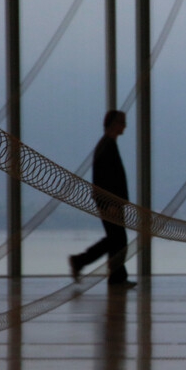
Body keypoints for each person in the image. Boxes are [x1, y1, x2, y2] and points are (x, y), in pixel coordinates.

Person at [69, 110, 136, 289]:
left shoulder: (107, 145)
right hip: (110, 204)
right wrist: (111, 204)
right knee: (117, 239)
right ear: (114, 123)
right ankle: (110, 274)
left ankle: (111, 274)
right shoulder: (107, 146)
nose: (125, 126)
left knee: (115, 239)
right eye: (122, 122)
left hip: (110, 203)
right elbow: (105, 178)